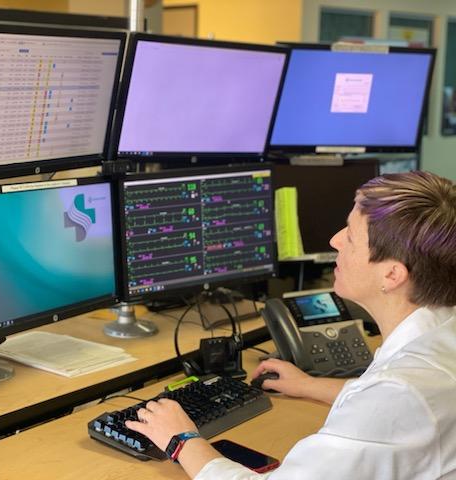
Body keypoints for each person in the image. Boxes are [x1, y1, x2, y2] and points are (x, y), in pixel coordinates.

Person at [126, 171, 456, 479]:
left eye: (351, 237)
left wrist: (182, 440)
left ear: (392, 275)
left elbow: (388, 404)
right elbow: (391, 406)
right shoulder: (441, 333)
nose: (335, 240)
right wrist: (309, 385)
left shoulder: (397, 392)